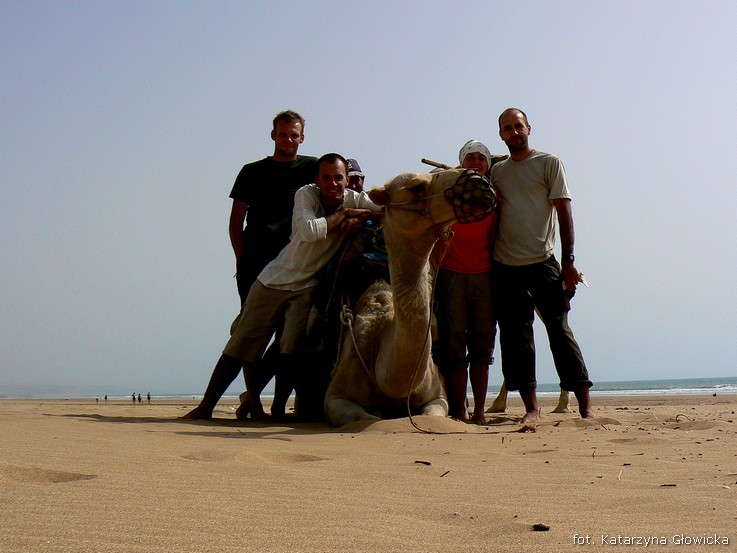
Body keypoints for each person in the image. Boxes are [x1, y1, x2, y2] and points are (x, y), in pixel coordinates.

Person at [184, 153, 382, 421]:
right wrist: (345, 215)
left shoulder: (355, 199)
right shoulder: (306, 195)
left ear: (347, 180)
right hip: (276, 281)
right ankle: (205, 407)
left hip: (307, 287)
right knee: (241, 345)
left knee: (290, 350)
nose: (333, 184)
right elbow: (310, 230)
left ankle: (277, 410)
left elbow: (388, 211)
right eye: (326, 178)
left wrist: (361, 215)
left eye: (339, 178)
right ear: (316, 180)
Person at [184, 111, 318, 421]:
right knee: (249, 335)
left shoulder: (312, 168)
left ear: (302, 137)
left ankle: (265, 402)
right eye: (283, 134)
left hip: (296, 265)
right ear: (273, 135)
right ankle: (246, 405)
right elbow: (235, 221)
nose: (288, 139)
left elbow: (339, 186)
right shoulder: (252, 172)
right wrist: (242, 261)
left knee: (288, 338)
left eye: (294, 134)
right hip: (255, 263)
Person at [490, 108, 593, 423]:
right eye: (507, 128)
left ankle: (586, 408)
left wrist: (569, 262)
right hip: (505, 266)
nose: (514, 132)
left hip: (543, 262)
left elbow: (564, 213)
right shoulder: (497, 172)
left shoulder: (549, 163)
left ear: (529, 128)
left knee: (559, 331)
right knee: (515, 337)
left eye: (518, 126)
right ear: (501, 135)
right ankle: (532, 410)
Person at [433, 140, 498, 423]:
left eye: (480, 158)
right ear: (461, 163)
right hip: (452, 276)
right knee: (454, 345)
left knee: (482, 347)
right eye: (469, 158)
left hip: (484, 276)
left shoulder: (497, 196)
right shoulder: (446, 193)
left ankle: (481, 411)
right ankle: (459, 410)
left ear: (487, 164)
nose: (475, 162)